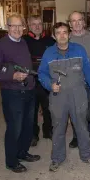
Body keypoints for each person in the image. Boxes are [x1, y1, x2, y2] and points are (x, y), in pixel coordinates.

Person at [38, 22, 90, 172]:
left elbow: (89, 71)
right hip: (58, 96)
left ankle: (87, 155)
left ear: (69, 34)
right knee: (58, 128)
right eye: (58, 33)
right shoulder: (49, 53)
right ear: (54, 36)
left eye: (64, 32)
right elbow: (42, 73)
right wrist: (49, 85)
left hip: (78, 94)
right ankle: (57, 158)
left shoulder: (79, 50)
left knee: (82, 126)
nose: (62, 35)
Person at [0, 14, 40, 173]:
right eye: (13, 26)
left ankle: (22, 152)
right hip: (12, 94)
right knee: (14, 128)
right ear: (7, 27)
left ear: (24, 26)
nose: (17, 29)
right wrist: (12, 76)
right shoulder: (0, 46)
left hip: (29, 91)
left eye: (20, 26)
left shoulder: (23, 41)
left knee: (27, 126)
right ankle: (11, 161)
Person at [68, 11, 90, 148]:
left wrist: (88, 74)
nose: (77, 23)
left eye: (79, 20)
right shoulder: (67, 38)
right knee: (76, 110)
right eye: (73, 21)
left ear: (84, 21)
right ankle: (77, 136)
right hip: (73, 81)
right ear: (70, 24)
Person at [23, 15, 56, 146]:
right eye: (34, 24)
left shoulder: (50, 41)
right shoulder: (23, 41)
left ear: (43, 25)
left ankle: (48, 131)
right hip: (30, 81)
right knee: (32, 110)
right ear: (29, 26)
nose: (37, 26)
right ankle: (33, 134)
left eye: (39, 24)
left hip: (46, 81)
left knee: (49, 108)